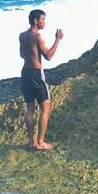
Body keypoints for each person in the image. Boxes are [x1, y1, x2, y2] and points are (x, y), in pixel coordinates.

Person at [19, 9, 63, 151]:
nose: (44, 22)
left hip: (25, 73)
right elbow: (48, 56)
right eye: (43, 19)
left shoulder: (22, 36)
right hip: (36, 74)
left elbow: (22, 54)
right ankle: (40, 143)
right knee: (46, 108)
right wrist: (57, 40)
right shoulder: (37, 37)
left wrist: (32, 55)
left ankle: (31, 142)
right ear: (36, 21)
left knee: (30, 109)